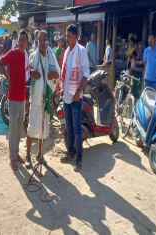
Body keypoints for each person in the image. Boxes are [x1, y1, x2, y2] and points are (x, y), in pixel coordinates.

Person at [25, 30, 60, 167]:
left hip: (48, 97)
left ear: (47, 41)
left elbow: (58, 73)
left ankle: (40, 154)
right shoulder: (33, 56)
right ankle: (28, 155)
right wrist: (33, 73)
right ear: (37, 41)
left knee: (44, 127)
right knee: (32, 126)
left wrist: (53, 74)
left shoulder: (51, 56)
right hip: (36, 96)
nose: (42, 42)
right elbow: (26, 73)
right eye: (40, 39)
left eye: (45, 39)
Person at [0, 30, 30, 170]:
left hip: (22, 96)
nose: (22, 42)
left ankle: (16, 154)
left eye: (24, 40)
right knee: (13, 129)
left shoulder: (26, 56)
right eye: (20, 39)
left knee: (19, 128)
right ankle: (12, 157)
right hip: (13, 96)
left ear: (27, 43)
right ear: (17, 41)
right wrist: (8, 78)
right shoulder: (12, 53)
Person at [59, 24, 90, 172]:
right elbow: (64, 73)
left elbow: (86, 73)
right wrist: (61, 89)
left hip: (76, 96)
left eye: (69, 36)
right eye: (66, 36)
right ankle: (70, 153)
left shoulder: (81, 51)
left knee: (77, 129)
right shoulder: (67, 53)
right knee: (69, 127)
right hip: (66, 96)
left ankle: (79, 159)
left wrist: (79, 91)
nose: (67, 39)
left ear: (75, 37)